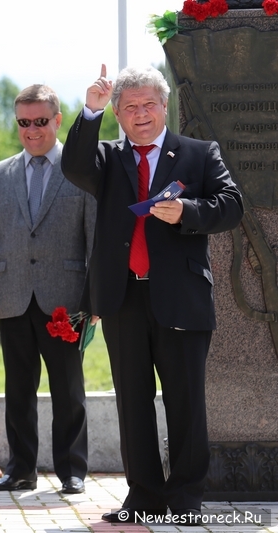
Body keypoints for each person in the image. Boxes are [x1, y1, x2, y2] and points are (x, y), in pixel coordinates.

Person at [61, 65, 243, 523]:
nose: (141, 115)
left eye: (149, 105)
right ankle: (143, 496)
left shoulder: (199, 154)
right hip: (122, 299)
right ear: (119, 115)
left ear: (165, 107)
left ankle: (185, 500)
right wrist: (90, 111)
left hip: (180, 298)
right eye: (129, 108)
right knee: (132, 401)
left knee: (185, 400)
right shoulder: (106, 158)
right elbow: (73, 166)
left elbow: (231, 205)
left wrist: (187, 210)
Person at [0, 84, 95, 495]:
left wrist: (94, 297)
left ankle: (72, 470)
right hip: (13, 295)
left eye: (40, 121)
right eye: (24, 122)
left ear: (57, 121)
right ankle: (20, 468)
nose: (32, 130)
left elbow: (93, 237)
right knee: (18, 388)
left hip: (66, 299)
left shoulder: (81, 170)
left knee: (68, 390)